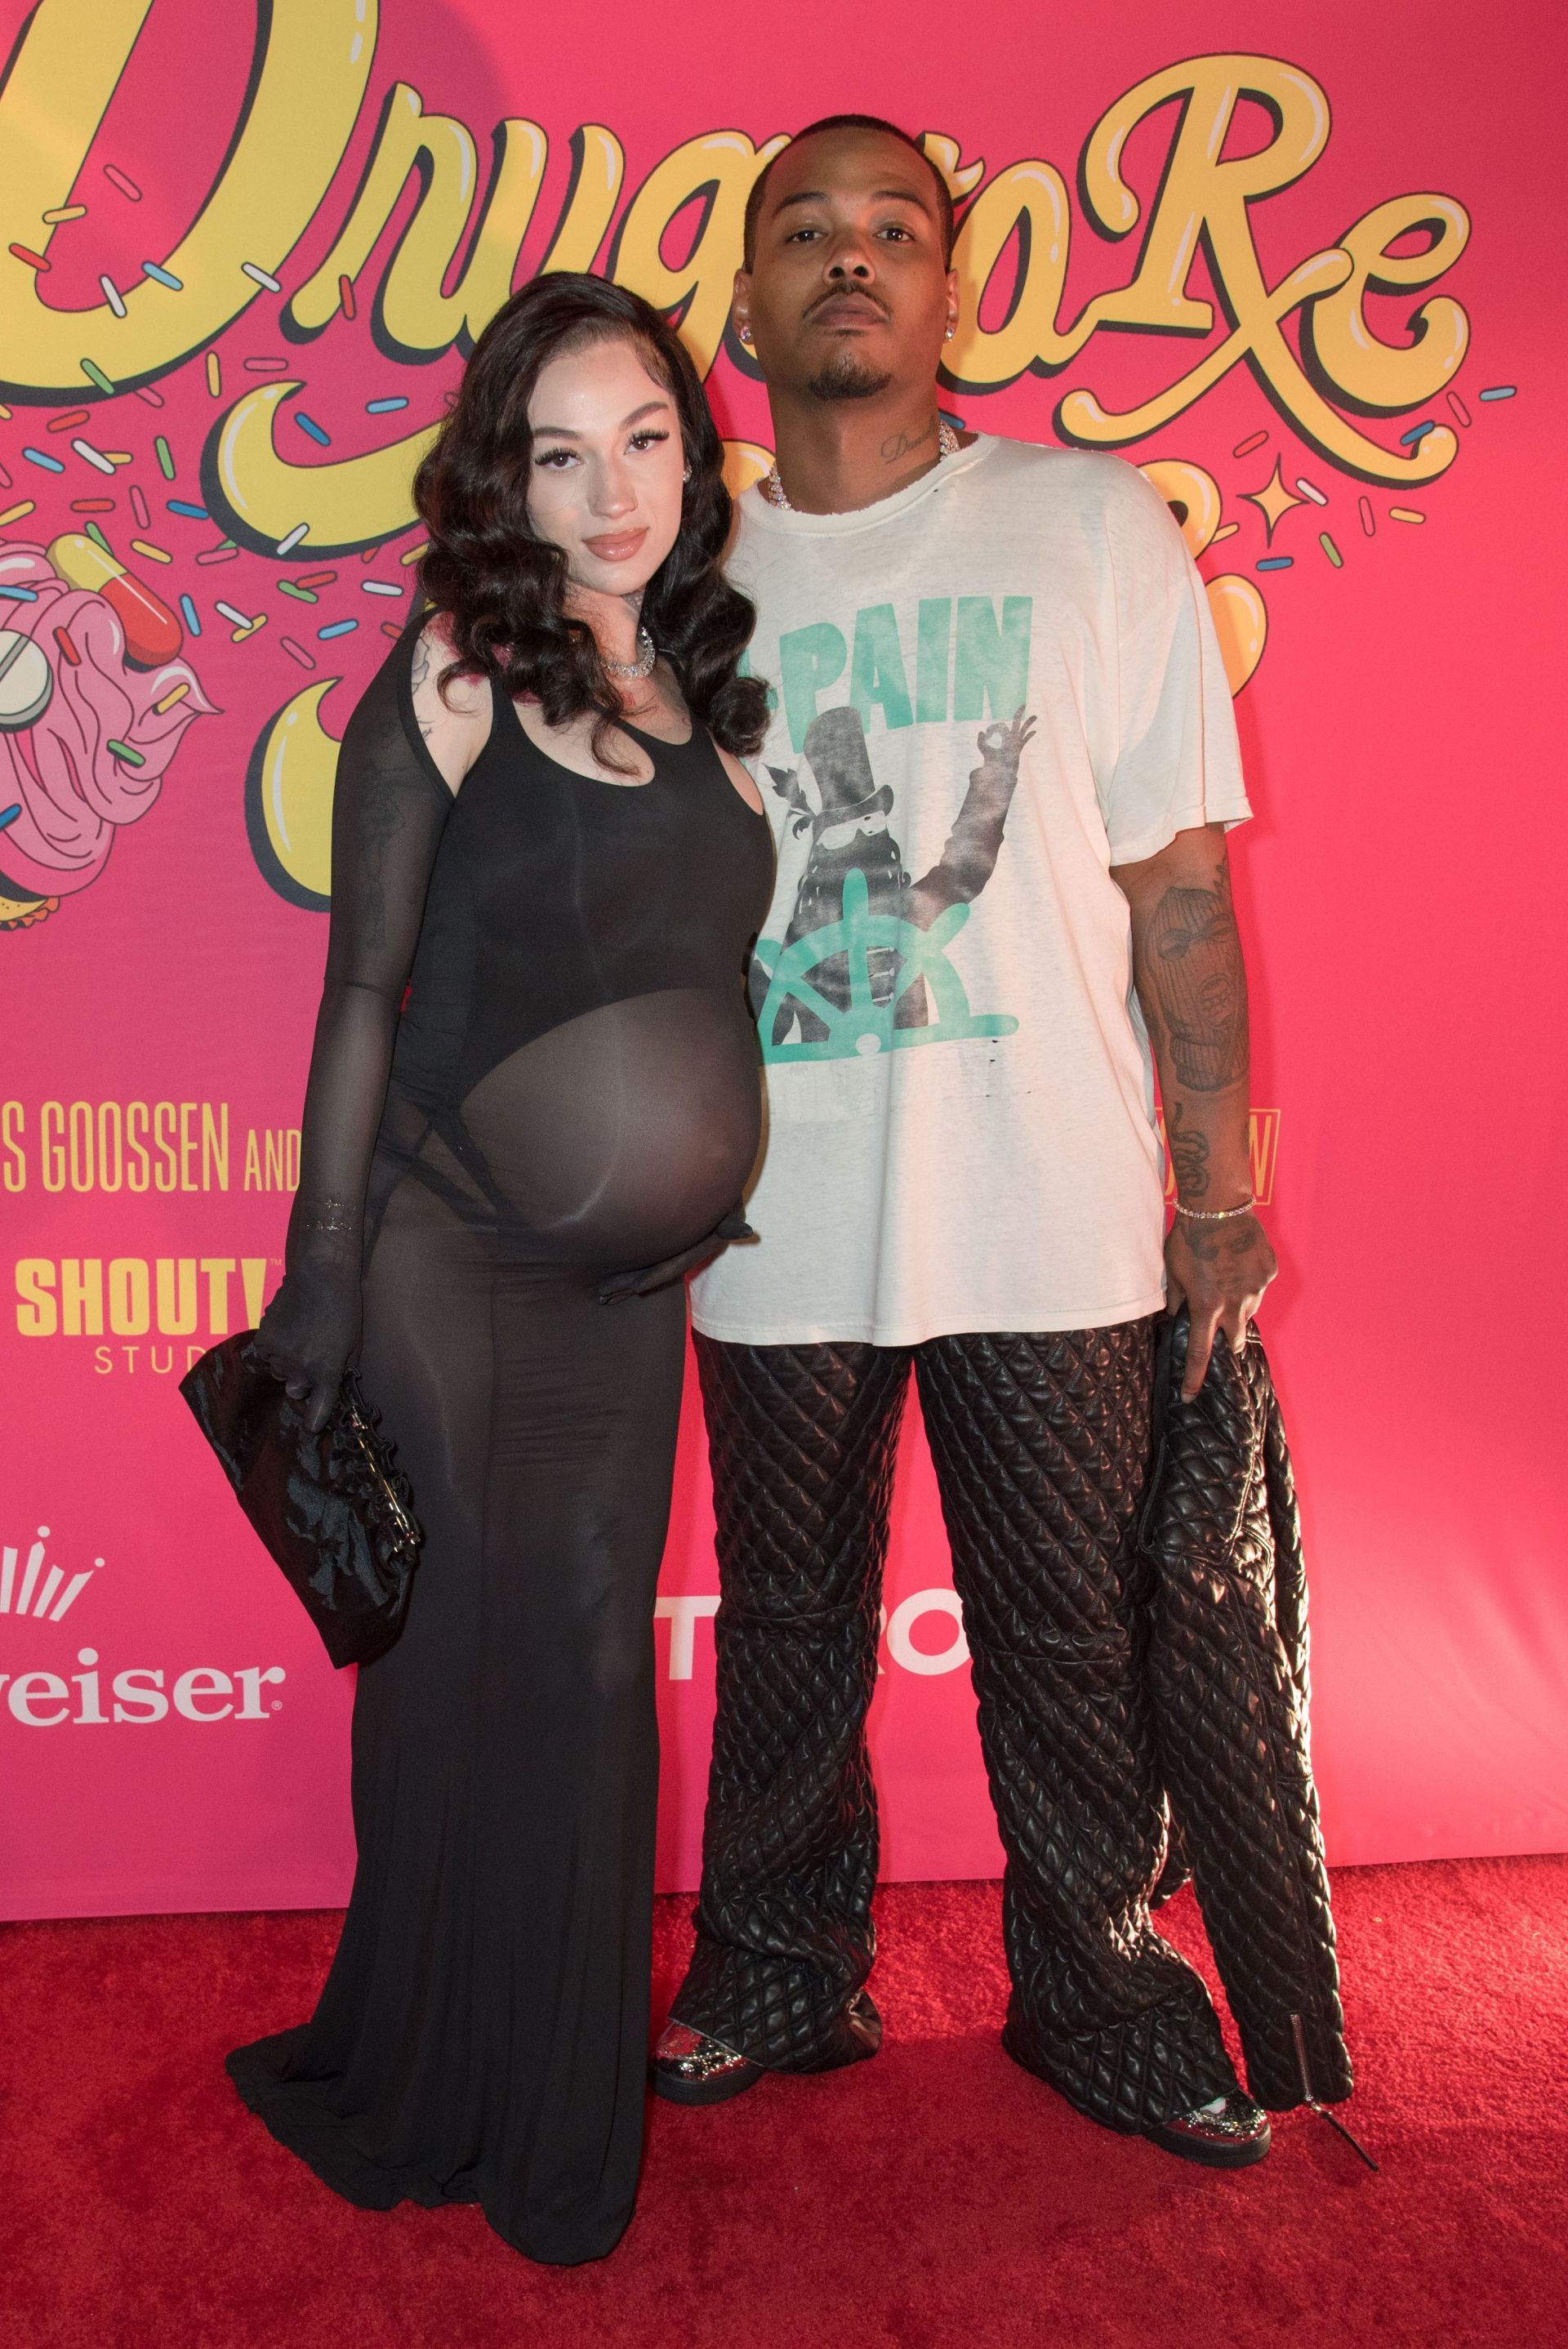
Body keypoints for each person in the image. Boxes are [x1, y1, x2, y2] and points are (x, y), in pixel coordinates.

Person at [653, 114, 1283, 2167]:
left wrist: (1220, 1191)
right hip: (767, 1205)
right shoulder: (684, 570)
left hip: (1055, 1203)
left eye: (893, 233)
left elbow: (1178, 884)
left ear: (954, 289)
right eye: (805, 235)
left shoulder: (1094, 531)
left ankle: (1098, 1991)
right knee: (791, 1624)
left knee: (1070, 1635)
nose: (853, 265)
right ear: (740, 300)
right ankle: (775, 1968)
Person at [228, 273, 774, 2262]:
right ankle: (432, 2083)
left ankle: (557, 2115)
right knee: (465, 1675)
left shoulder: (707, 689)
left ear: (694, 464)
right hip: (447, 1261)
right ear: (504, 477)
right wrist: (320, 1279)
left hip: (635, 1295)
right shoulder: (453, 672)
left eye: (645, 441)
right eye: (562, 452)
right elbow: (362, 983)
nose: (612, 490)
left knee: (588, 1670)